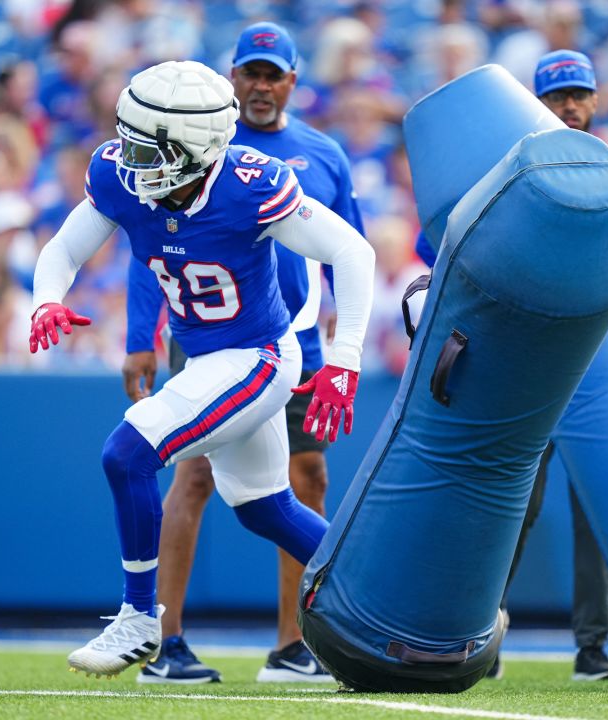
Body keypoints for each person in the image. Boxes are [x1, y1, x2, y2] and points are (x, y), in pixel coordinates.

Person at [28, 60, 375, 680]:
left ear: (199, 147)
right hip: (206, 355)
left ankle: (139, 616)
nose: (132, 160)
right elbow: (64, 248)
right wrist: (46, 298)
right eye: (129, 141)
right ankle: (385, 599)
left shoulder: (250, 184)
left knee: (126, 454)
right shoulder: (121, 175)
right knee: (263, 507)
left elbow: (352, 248)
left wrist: (345, 358)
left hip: (258, 357)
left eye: (149, 148)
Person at [415, 50, 608, 682]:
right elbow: (439, 240)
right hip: (529, 359)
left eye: (579, 93)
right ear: (533, 104)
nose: (569, 104)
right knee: (508, 501)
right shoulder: (507, 173)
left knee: (599, 506)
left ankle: (593, 646)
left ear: (595, 101)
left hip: (598, 365)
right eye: (557, 94)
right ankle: (479, 636)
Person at [120, 23, 366, 685]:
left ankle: (295, 644)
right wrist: (139, 335)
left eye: (272, 74)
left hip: (301, 342)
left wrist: (346, 349)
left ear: (292, 82)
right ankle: (165, 640)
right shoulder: (193, 142)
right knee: (193, 478)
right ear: (232, 79)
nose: (259, 86)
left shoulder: (323, 154)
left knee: (305, 481)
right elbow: (150, 238)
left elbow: (352, 251)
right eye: (250, 73)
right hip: (206, 338)